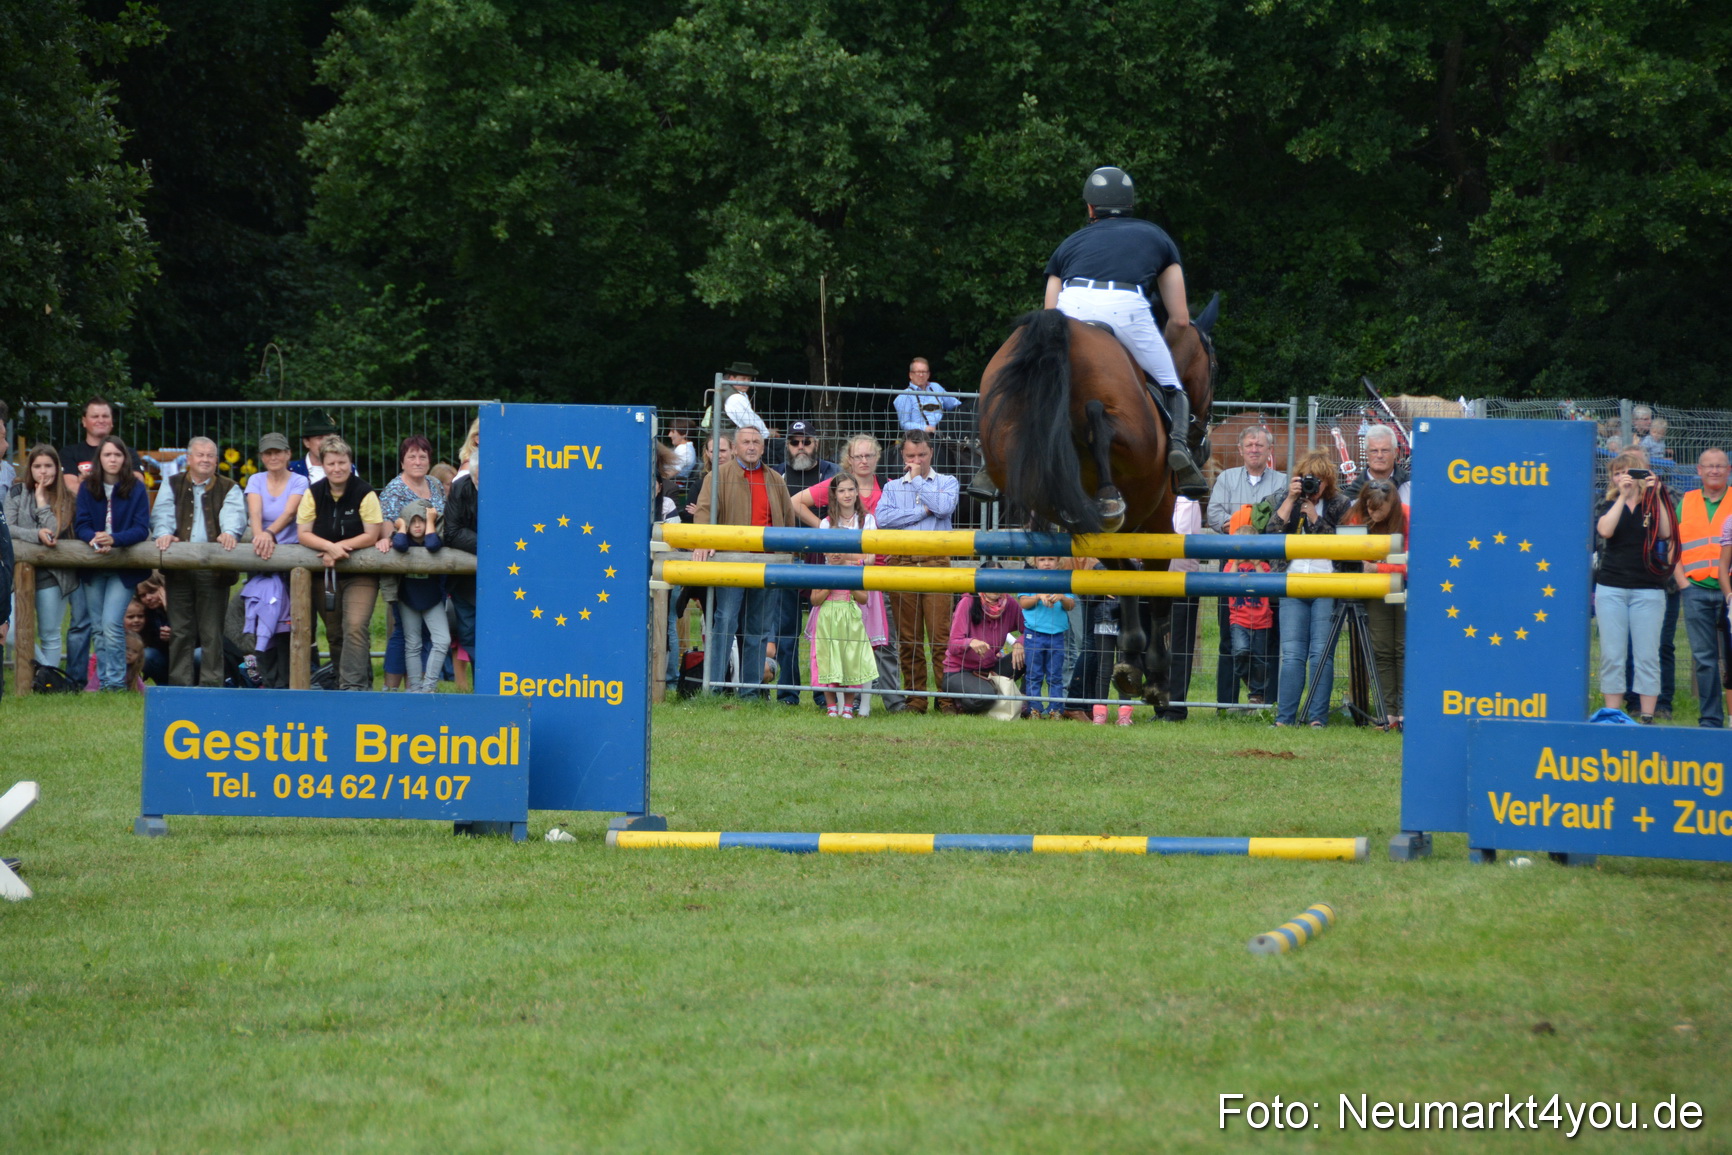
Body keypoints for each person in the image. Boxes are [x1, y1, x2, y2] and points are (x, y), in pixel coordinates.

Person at [1042, 165, 1208, 497]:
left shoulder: (1069, 243)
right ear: (1131, 205)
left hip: (1071, 306)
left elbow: (1048, 314)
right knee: (1173, 386)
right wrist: (1159, 351)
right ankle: (1179, 451)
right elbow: (1178, 319)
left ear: (1089, 208)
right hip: (1126, 308)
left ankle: (995, 459)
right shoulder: (1156, 236)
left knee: (1036, 380)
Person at [691, 425, 794, 697]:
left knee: (758, 630)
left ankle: (750, 692)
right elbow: (703, 514)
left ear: (763, 447)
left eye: (756, 442)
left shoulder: (776, 480)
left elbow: (788, 521)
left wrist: (787, 558)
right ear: (735, 447)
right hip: (730, 563)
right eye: (746, 442)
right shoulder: (716, 477)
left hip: (767, 566)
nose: (751, 446)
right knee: (724, 623)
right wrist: (703, 540)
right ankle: (712, 689)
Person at [151, 436, 245, 687]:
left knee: (212, 632)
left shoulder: (230, 487)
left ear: (216, 460)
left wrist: (229, 532)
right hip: (179, 567)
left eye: (210, 455)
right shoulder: (172, 484)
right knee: (180, 630)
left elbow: (234, 514)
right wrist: (163, 533)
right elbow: (162, 512)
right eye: (200, 455)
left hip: (214, 570)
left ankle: (212, 686)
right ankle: (179, 686)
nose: (205, 459)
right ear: (189, 459)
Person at [878, 431, 960, 713]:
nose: (916, 461)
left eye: (921, 456)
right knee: (908, 638)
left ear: (931, 454)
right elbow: (883, 519)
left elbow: (944, 507)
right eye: (910, 456)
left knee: (941, 637)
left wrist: (916, 483)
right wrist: (920, 512)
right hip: (901, 563)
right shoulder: (890, 488)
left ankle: (947, 699)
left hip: (937, 562)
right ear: (903, 456)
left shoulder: (947, 482)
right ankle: (915, 699)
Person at [1267, 451, 1351, 727]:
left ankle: (1317, 718)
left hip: (1327, 584)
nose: (1313, 488)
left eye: (1318, 482)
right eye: (1307, 480)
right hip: (1293, 582)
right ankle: (1285, 719)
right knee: (1291, 655)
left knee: (1321, 654)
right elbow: (1271, 533)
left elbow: (1341, 546)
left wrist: (1315, 516)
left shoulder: (1340, 504)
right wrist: (1291, 499)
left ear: (1328, 483)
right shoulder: (1288, 499)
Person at [296, 436, 385, 691]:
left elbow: (372, 534)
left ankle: (353, 688)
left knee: (355, 626)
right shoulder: (313, 493)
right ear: (323, 465)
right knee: (334, 633)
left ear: (350, 462)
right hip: (325, 573)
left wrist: (341, 548)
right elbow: (303, 533)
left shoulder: (365, 492)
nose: (337, 468)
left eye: (342, 462)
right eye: (332, 463)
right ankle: (343, 682)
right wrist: (329, 547)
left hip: (360, 572)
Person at [1208, 426, 1287, 705]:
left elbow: (1281, 519)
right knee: (1229, 635)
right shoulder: (1226, 478)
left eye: (1260, 445)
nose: (1254, 449)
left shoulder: (1282, 481)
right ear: (1240, 450)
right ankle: (1226, 703)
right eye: (1250, 445)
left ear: (1269, 451)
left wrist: (1245, 522)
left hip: (1268, 566)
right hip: (1231, 563)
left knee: (1269, 636)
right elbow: (1214, 513)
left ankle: (1267, 699)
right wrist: (1244, 524)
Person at [1595, 451, 1675, 722]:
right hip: (1612, 587)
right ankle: (1612, 713)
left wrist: (1658, 494)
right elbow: (1605, 531)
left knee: (1647, 654)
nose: (1623, 477)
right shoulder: (1607, 503)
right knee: (1613, 654)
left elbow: (1665, 532)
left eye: (1628, 472)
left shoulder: (1652, 503)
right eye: (1617, 473)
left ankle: (1647, 714)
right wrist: (1622, 497)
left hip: (1648, 589)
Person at [74, 435, 152, 691]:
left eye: (117, 455)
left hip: (123, 566)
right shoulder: (87, 488)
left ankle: (116, 684)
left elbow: (141, 529)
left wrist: (115, 539)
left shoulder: (136, 487)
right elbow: (81, 525)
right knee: (97, 627)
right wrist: (94, 539)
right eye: (107, 455)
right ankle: (104, 681)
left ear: (124, 459)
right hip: (94, 564)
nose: (112, 459)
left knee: (110, 623)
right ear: (100, 459)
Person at [375, 436, 448, 690]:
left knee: (431, 635)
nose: (417, 461)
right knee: (404, 634)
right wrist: (385, 539)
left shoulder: (436, 484)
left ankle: (420, 687)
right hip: (405, 573)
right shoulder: (394, 489)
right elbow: (386, 522)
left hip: (435, 568)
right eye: (412, 456)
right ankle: (393, 687)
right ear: (402, 461)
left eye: (423, 457)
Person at [242, 432, 310, 687]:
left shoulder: (299, 481)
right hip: (262, 553)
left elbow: (290, 512)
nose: (273, 457)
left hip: (289, 555)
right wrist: (260, 537)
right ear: (262, 457)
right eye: (268, 453)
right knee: (260, 620)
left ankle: (289, 681)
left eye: (278, 452)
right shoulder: (256, 480)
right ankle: (265, 680)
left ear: (288, 454)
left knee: (286, 624)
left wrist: (269, 535)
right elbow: (255, 511)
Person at [6, 445, 78, 675]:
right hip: (18, 573)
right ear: (30, 469)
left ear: (57, 469)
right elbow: (7, 528)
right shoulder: (16, 492)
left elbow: (54, 530)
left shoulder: (67, 496)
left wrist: (41, 501)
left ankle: (48, 683)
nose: (43, 472)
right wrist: (34, 535)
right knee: (10, 631)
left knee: (50, 633)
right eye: (37, 466)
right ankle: (47, 673)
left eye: (48, 466)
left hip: (54, 575)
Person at [1346, 478, 1409, 730]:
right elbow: (1351, 553)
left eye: (1378, 509)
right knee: (1381, 650)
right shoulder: (1358, 515)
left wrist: (1376, 567)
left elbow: (1416, 561)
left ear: (1391, 504)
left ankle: (1407, 712)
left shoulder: (1408, 517)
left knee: (1404, 648)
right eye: (1369, 508)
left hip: (1406, 588)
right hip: (1375, 590)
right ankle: (1388, 713)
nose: (1373, 513)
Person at [806, 551, 874, 718]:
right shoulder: (821, 573)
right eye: (832, 551)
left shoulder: (855, 570)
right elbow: (815, 599)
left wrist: (850, 586)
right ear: (825, 553)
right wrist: (829, 586)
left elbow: (864, 598)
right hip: (827, 620)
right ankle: (831, 706)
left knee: (849, 660)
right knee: (828, 660)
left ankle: (848, 707)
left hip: (849, 620)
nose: (836, 554)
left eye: (840, 551)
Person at [391, 499, 449, 694]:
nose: (417, 526)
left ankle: (429, 686)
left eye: (422, 521)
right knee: (412, 643)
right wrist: (400, 527)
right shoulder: (403, 537)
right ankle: (415, 688)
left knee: (442, 640)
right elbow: (399, 544)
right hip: (408, 598)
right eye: (412, 521)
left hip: (432, 599)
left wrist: (431, 522)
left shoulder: (434, 536)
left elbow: (432, 545)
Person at [941, 591, 1025, 714]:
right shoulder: (967, 602)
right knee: (986, 696)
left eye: (999, 582)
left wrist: (1020, 642)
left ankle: (1027, 703)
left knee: (1031, 653)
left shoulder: (1010, 603)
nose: (995, 588)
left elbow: (1029, 628)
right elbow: (953, 644)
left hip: (990, 669)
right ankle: (963, 703)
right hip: (960, 671)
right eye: (990, 582)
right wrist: (970, 642)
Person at [1223, 524, 1275, 709]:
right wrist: (1237, 562)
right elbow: (1227, 583)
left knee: (1260, 659)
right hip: (1239, 620)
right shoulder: (1231, 565)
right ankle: (1249, 681)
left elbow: (1267, 584)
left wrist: (1256, 563)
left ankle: (1256, 695)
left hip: (1262, 621)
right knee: (1240, 652)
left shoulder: (1264, 566)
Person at [1016, 557, 1074, 719]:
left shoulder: (1063, 580)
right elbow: (1023, 602)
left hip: (1056, 635)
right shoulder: (1030, 580)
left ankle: (1055, 708)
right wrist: (1038, 596)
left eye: (1051, 559)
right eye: (1042, 559)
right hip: (1034, 634)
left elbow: (1071, 605)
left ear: (1059, 561)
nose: (1047, 563)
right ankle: (1034, 708)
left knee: (1055, 674)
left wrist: (1062, 597)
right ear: (1034, 561)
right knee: (1034, 673)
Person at [444, 448, 479, 687]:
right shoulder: (460, 488)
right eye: (478, 478)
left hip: (508, 581)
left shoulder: (511, 488)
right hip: (466, 583)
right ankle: (480, 693)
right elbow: (452, 533)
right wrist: (492, 545)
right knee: (469, 635)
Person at [791, 434, 883, 526]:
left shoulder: (888, 486)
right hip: (845, 540)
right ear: (849, 459)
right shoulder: (838, 484)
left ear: (877, 457)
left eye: (869, 456)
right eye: (858, 456)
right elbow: (794, 502)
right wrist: (824, 527)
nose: (864, 461)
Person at [1342, 425, 1411, 504]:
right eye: (1374, 451)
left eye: (1385, 450)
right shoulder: (1352, 495)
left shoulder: (1410, 486)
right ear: (1366, 454)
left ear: (1395, 452)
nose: (1379, 456)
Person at [895, 358, 961, 434]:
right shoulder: (905, 396)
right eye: (918, 372)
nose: (921, 375)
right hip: (919, 438)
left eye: (924, 372)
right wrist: (925, 428)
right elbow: (904, 424)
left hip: (943, 435)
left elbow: (956, 405)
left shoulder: (936, 387)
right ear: (911, 375)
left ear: (928, 374)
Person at [133, 573, 172, 684]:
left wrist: (169, 610)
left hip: (191, 656)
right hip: (164, 657)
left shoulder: (182, 605)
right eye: (143, 595)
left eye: (152, 592)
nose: (148, 598)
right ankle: (165, 687)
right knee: (147, 655)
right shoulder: (146, 614)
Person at [289, 409, 342, 483]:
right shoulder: (291, 470)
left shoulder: (346, 469)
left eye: (329, 437)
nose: (325, 442)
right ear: (306, 442)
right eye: (320, 438)